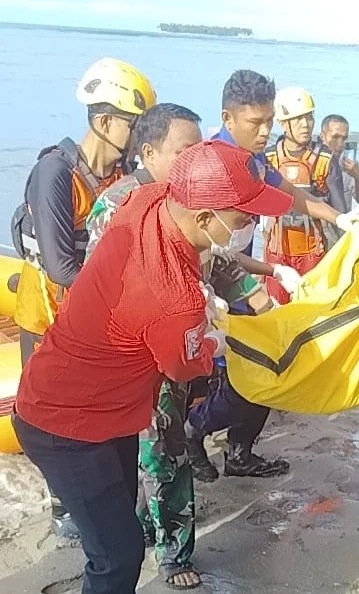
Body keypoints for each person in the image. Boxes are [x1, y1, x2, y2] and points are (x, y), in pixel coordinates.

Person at [11, 139, 294, 594]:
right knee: (118, 557)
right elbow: (183, 369)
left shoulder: (147, 199)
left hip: (108, 409)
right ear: (206, 218)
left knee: (120, 526)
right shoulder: (173, 299)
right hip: (66, 426)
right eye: (244, 216)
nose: (251, 223)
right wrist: (212, 339)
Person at [185, 70, 359, 483]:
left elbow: (293, 197)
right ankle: (196, 428)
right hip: (207, 278)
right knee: (249, 371)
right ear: (228, 118)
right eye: (256, 122)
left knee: (271, 361)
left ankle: (239, 451)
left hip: (236, 270)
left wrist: (341, 218)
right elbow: (197, 240)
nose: (266, 131)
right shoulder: (211, 165)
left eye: (269, 121)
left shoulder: (254, 161)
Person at [11, 56, 156, 541]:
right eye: (136, 126)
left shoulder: (124, 177)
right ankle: (61, 506)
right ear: (106, 122)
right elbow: (60, 267)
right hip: (49, 314)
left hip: (96, 322)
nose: (141, 137)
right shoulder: (55, 173)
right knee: (54, 413)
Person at [85, 102, 206, 590]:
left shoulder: (188, 199)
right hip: (132, 354)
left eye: (199, 151)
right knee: (152, 451)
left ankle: (166, 544)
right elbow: (100, 285)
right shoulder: (117, 204)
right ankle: (165, 550)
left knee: (165, 448)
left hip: (176, 345)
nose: (194, 162)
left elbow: (217, 259)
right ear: (149, 152)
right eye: (184, 152)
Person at [263, 87, 345, 303]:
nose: (306, 124)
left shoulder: (325, 160)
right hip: (276, 249)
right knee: (274, 310)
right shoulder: (268, 158)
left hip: (312, 251)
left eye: (309, 117)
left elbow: (341, 212)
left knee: (310, 309)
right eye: (298, 119)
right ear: (283, 123)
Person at [319, 113, 359, 247]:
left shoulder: (347, 165)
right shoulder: (313, 162)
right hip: (319, 234)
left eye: (343, 138)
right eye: (335, 137)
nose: (340, 144)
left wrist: (358, 176)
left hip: (341, 232)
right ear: (323, 137)